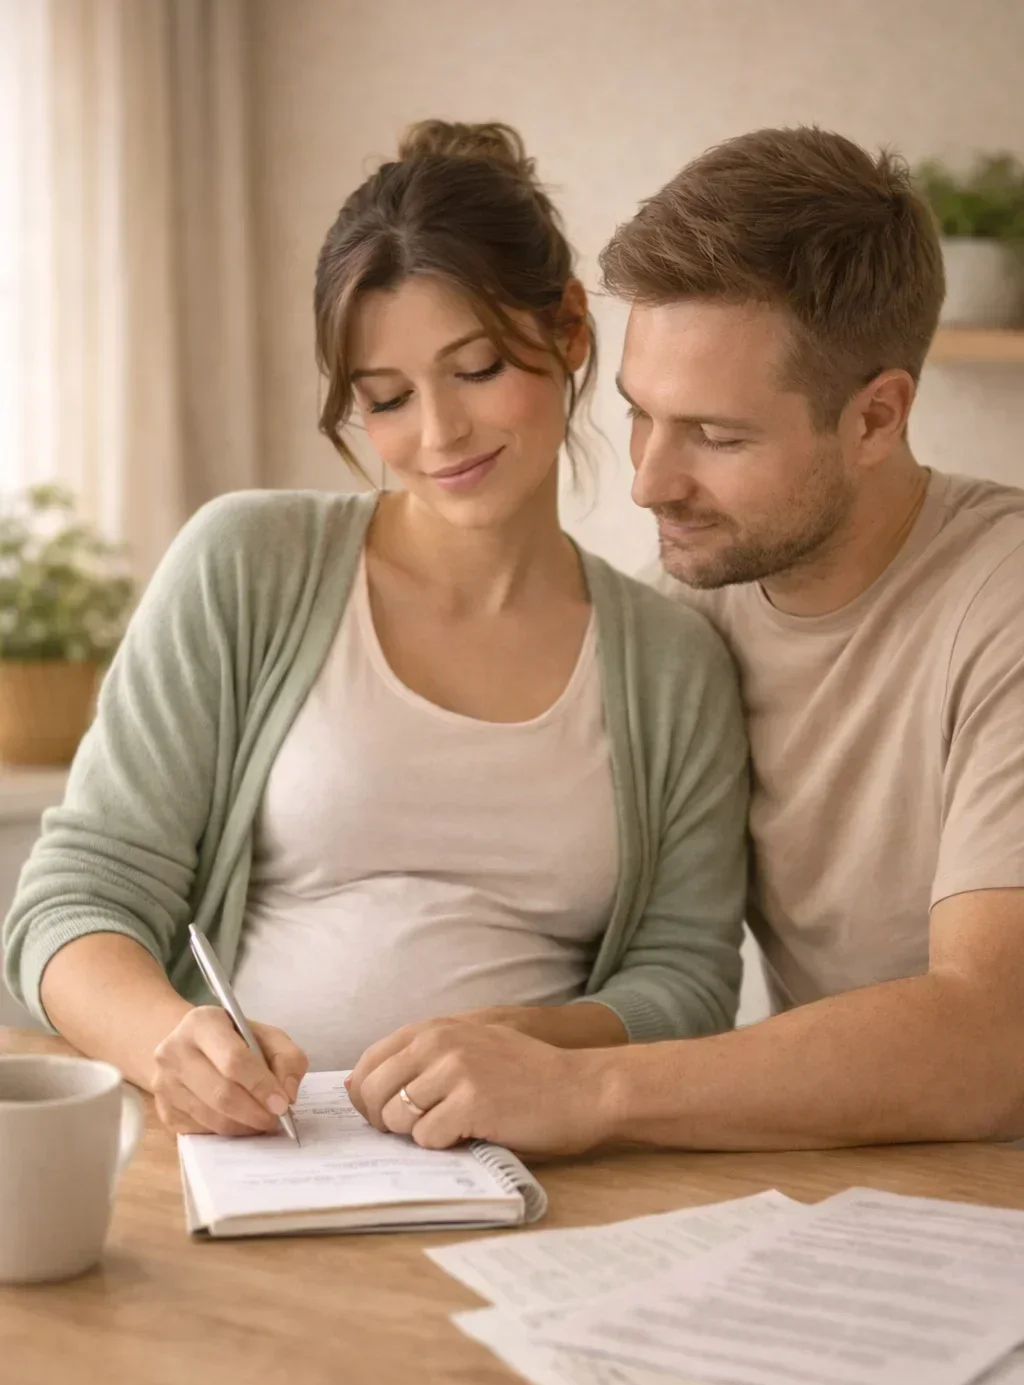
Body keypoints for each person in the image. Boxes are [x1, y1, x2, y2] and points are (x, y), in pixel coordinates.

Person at [3, 120, 748, 1138]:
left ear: (571, 329)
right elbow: (76, 898)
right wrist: (168, 1042)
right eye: (386, 398)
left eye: (476, 370)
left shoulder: (673, 665)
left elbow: (687, 979)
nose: (438, 435)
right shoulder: (248, 564)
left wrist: (526, 1044)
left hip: (521, 1168)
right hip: (255, 1153)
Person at [344, 126, 1024, 1156]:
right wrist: (518, 1040)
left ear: (876, 418)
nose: (649, 483)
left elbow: (990, 1042)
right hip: (854, 1185)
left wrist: (588, 1089)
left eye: (716, 435)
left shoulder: (1000, 602)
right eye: (639, 416)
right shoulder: (683, 616)